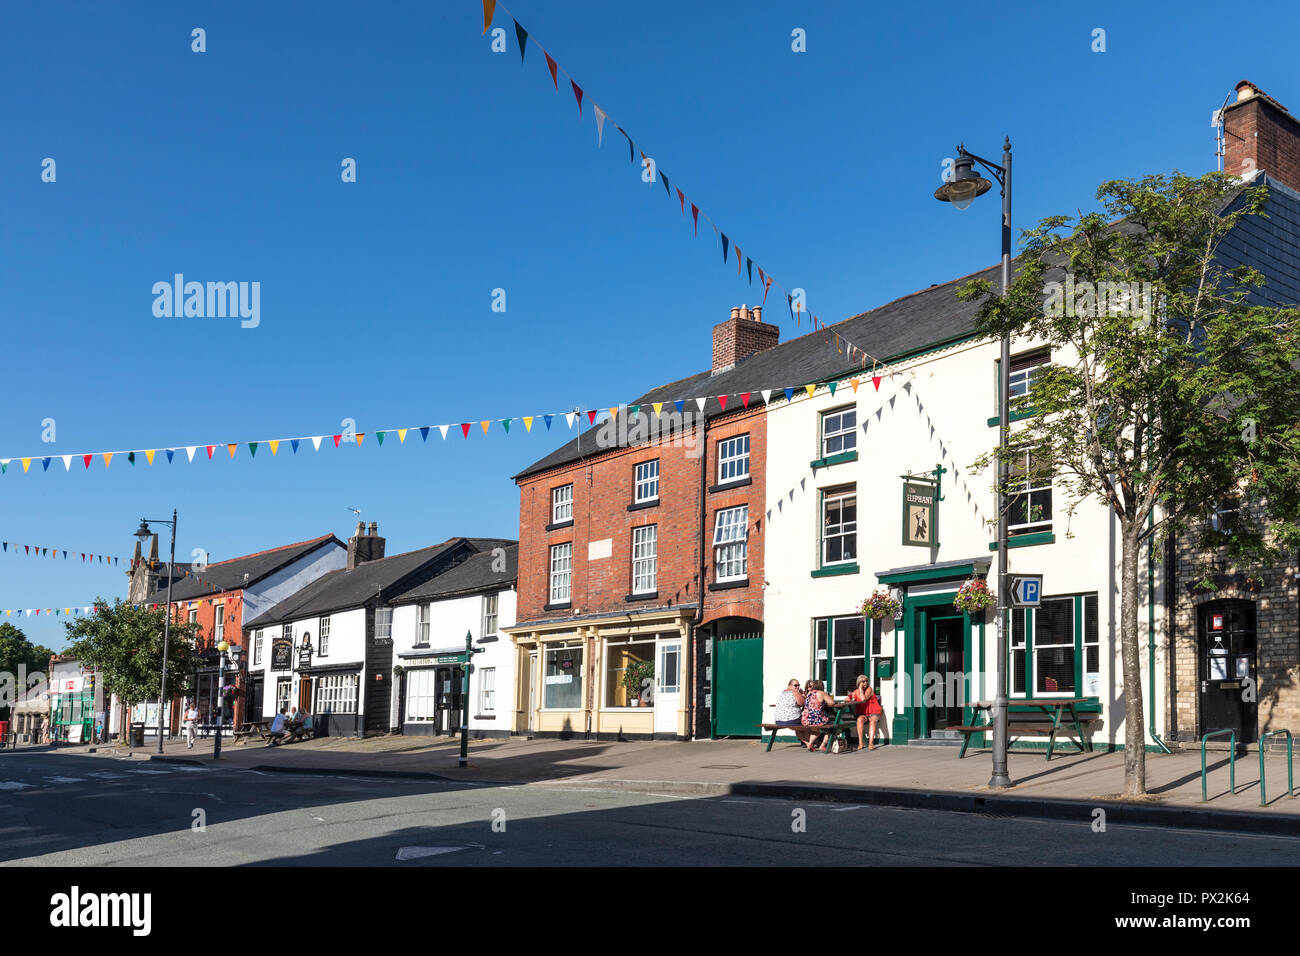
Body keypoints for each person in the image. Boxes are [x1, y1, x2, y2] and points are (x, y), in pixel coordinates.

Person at [847, 675, 886, 751]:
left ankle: (870, 743)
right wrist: (849, 698)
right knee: (859, 720)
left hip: (874, 710)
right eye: (863, 681)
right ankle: (860, 743)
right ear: (859, 682)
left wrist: (861, 690)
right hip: (864, 712)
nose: (865, 683)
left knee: (873, 720)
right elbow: (848, 698)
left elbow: (863, 699)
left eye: (866, 681)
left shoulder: (869, 689)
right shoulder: (856, 691)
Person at [800, 680, 836, 753]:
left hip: (806, 719)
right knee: (832, 727)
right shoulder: (822, 693)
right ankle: (823, 745)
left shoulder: (809, 693)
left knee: (816, 730)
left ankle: (810, 744)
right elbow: (832, 703)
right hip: (816, 719)